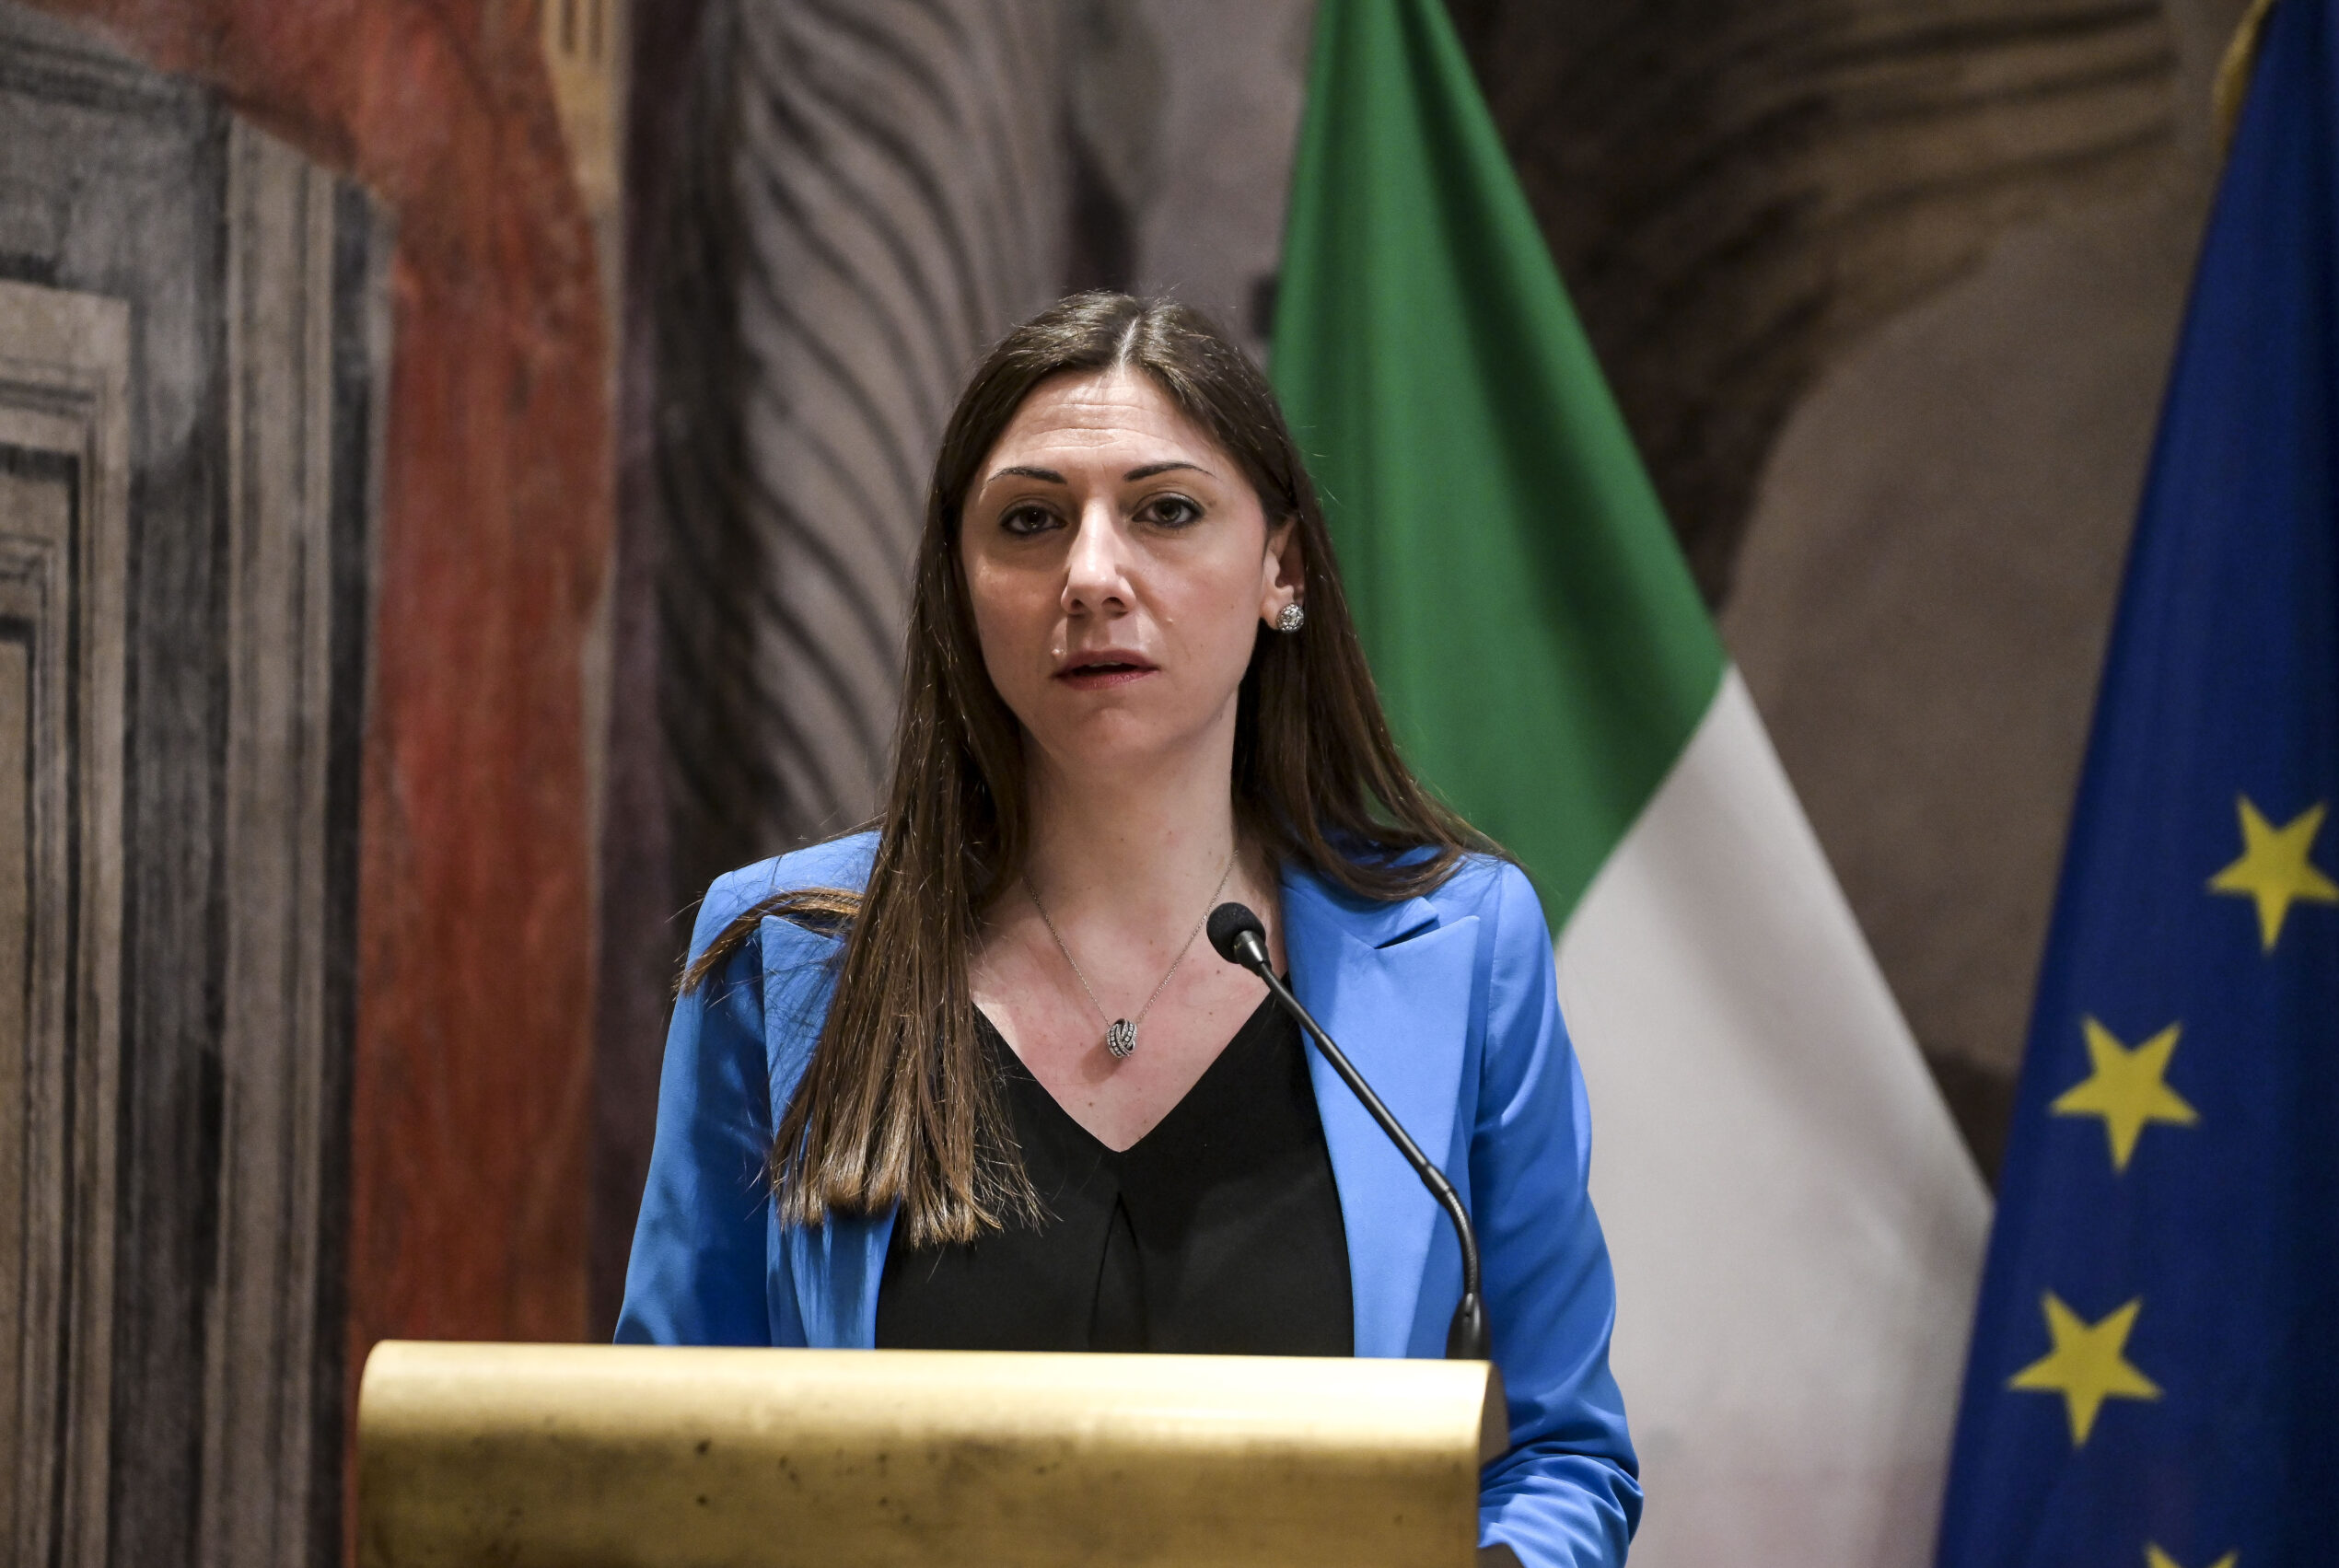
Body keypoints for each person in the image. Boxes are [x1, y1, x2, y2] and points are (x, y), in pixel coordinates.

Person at [616, 294, 1640, 1568]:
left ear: (1281, 572)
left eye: (1165, 511)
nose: (1092, 576)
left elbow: (1560, 1455)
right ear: (962, 586)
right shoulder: (786, 958)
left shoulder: (1463, 951)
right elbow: (668, 1467)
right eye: (1030, 521)